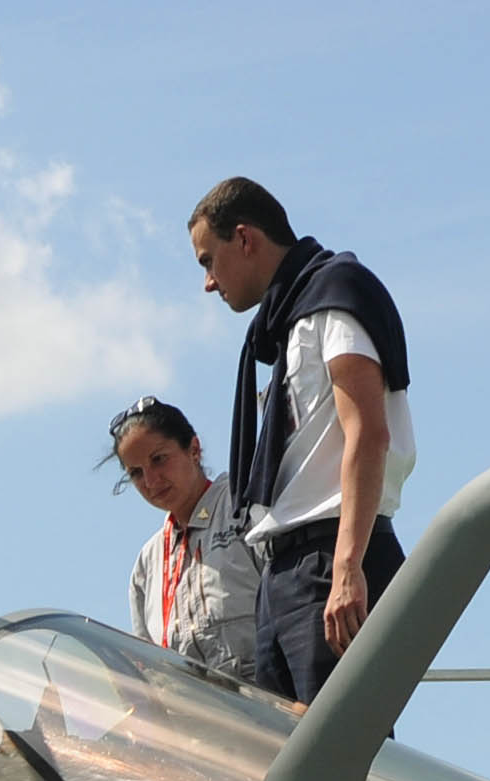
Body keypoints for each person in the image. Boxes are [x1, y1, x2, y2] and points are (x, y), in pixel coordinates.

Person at [188, 176, 416, 706]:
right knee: (285, 752)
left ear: (244, 238)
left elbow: (368, 432)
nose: (208, 282)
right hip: (284, 571)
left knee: (341, 747)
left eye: (208, 261)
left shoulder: (336, 294)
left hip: (329, 557)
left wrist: (347, 568)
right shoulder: (289, 322)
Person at [110, 396, 262, 686]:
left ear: (194, 449)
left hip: (274, 703)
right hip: (193, 711)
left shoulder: (244, 507)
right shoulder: (148, 563)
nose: (151, 481)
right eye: (136, 473)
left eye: (159, 459)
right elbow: (148, 672)